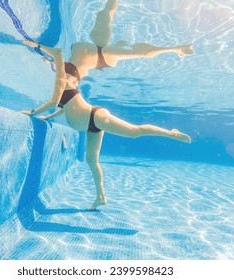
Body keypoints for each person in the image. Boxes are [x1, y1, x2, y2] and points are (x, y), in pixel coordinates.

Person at [21, 0, 193, 210]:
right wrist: (44, 118)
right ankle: (100, 196)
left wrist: (32, 111)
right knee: (91, 161)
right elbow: (62, 108)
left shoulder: (64, 80)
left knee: (134, 132)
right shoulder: (73, 79)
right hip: (90, 123)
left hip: (95, 117)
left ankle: (171, 133)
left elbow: (54, 89)